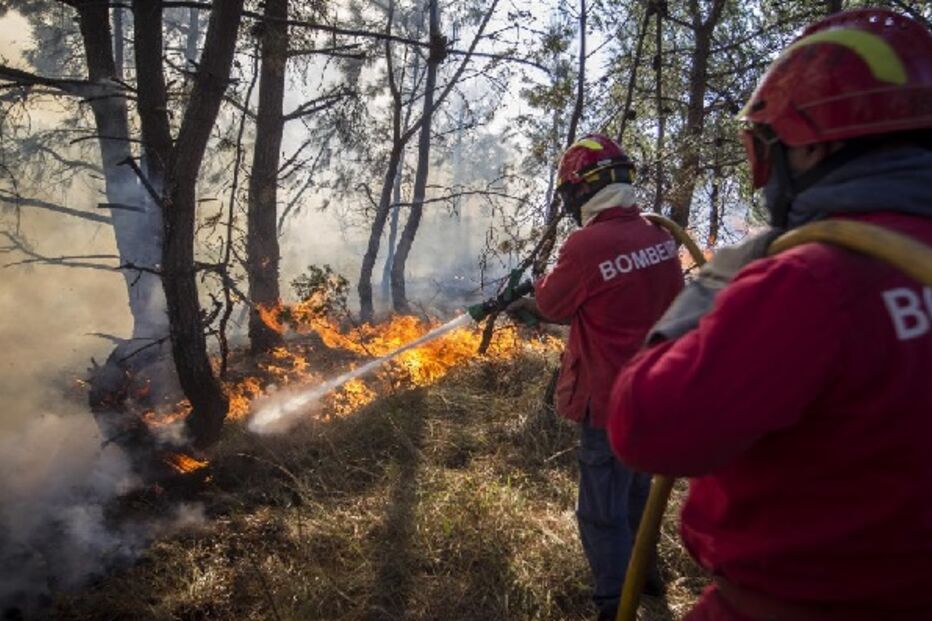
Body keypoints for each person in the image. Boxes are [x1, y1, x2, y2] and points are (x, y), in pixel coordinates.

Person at [607, 8, 932, 621]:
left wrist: (711, 288)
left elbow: (644, 425)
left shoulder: (811, 281)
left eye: (768, 150)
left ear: (815, 144)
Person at [510, 133, 683, 620]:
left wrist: (530, 303)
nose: (569, 202)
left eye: (570, 192)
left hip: (608, 401)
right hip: (653, 395)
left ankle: (614, 605)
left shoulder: (587, 244)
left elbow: (551, 304)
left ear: (585, 188)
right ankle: (646, 578)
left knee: (601, 511)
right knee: (638, 494)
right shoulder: (658, 237)